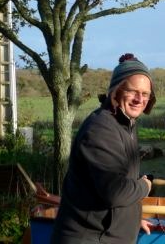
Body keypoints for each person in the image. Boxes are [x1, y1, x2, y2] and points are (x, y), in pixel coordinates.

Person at [51, 53, 157, 243]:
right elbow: (115, 192)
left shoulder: (125, 124)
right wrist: (145, 185)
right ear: (116, 91)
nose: (139, 99)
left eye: (145, 94)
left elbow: (109, 186)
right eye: (132, 91)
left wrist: (131, 221)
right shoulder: (101, 129)